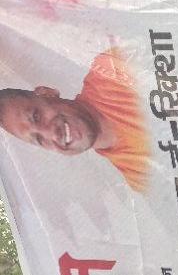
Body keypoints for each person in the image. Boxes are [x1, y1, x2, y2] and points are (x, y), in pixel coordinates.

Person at [0, 47, 150, 192]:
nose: (51, 133)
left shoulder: (112, 69)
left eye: (36, 117)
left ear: (47, 93)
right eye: (39, 139)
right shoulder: (138, 177)